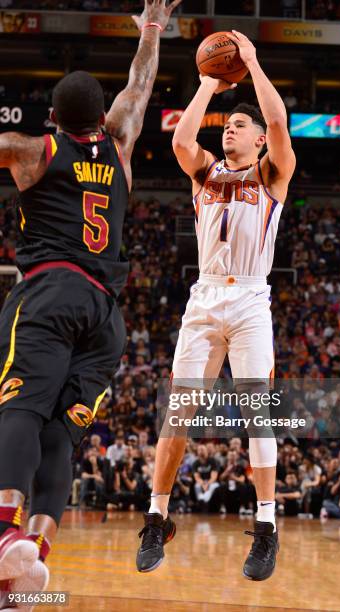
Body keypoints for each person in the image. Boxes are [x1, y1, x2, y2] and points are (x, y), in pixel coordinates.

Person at [0, 0, 181, 606]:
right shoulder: (122, 143)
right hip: (107, 315)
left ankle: (4, 533)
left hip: (51, 292)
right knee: (61, 437)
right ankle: (32, 561)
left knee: (19, 410)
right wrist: (151, 30)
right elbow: (141, 83)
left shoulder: (35, 152)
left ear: (52, 117)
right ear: (102, 116)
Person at [136, 30, 296, 581]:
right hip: (204, 296)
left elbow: (278, 122)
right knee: (178, 413)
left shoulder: (272, 174)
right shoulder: (206, 171)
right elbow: (182, 142)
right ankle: (157, 517)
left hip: (251, 297)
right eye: (227, 124)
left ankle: (268, 526)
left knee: (256, 413)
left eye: (239, 124)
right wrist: (205, 87)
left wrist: (250, 63)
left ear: (257, 141)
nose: (230, 126)